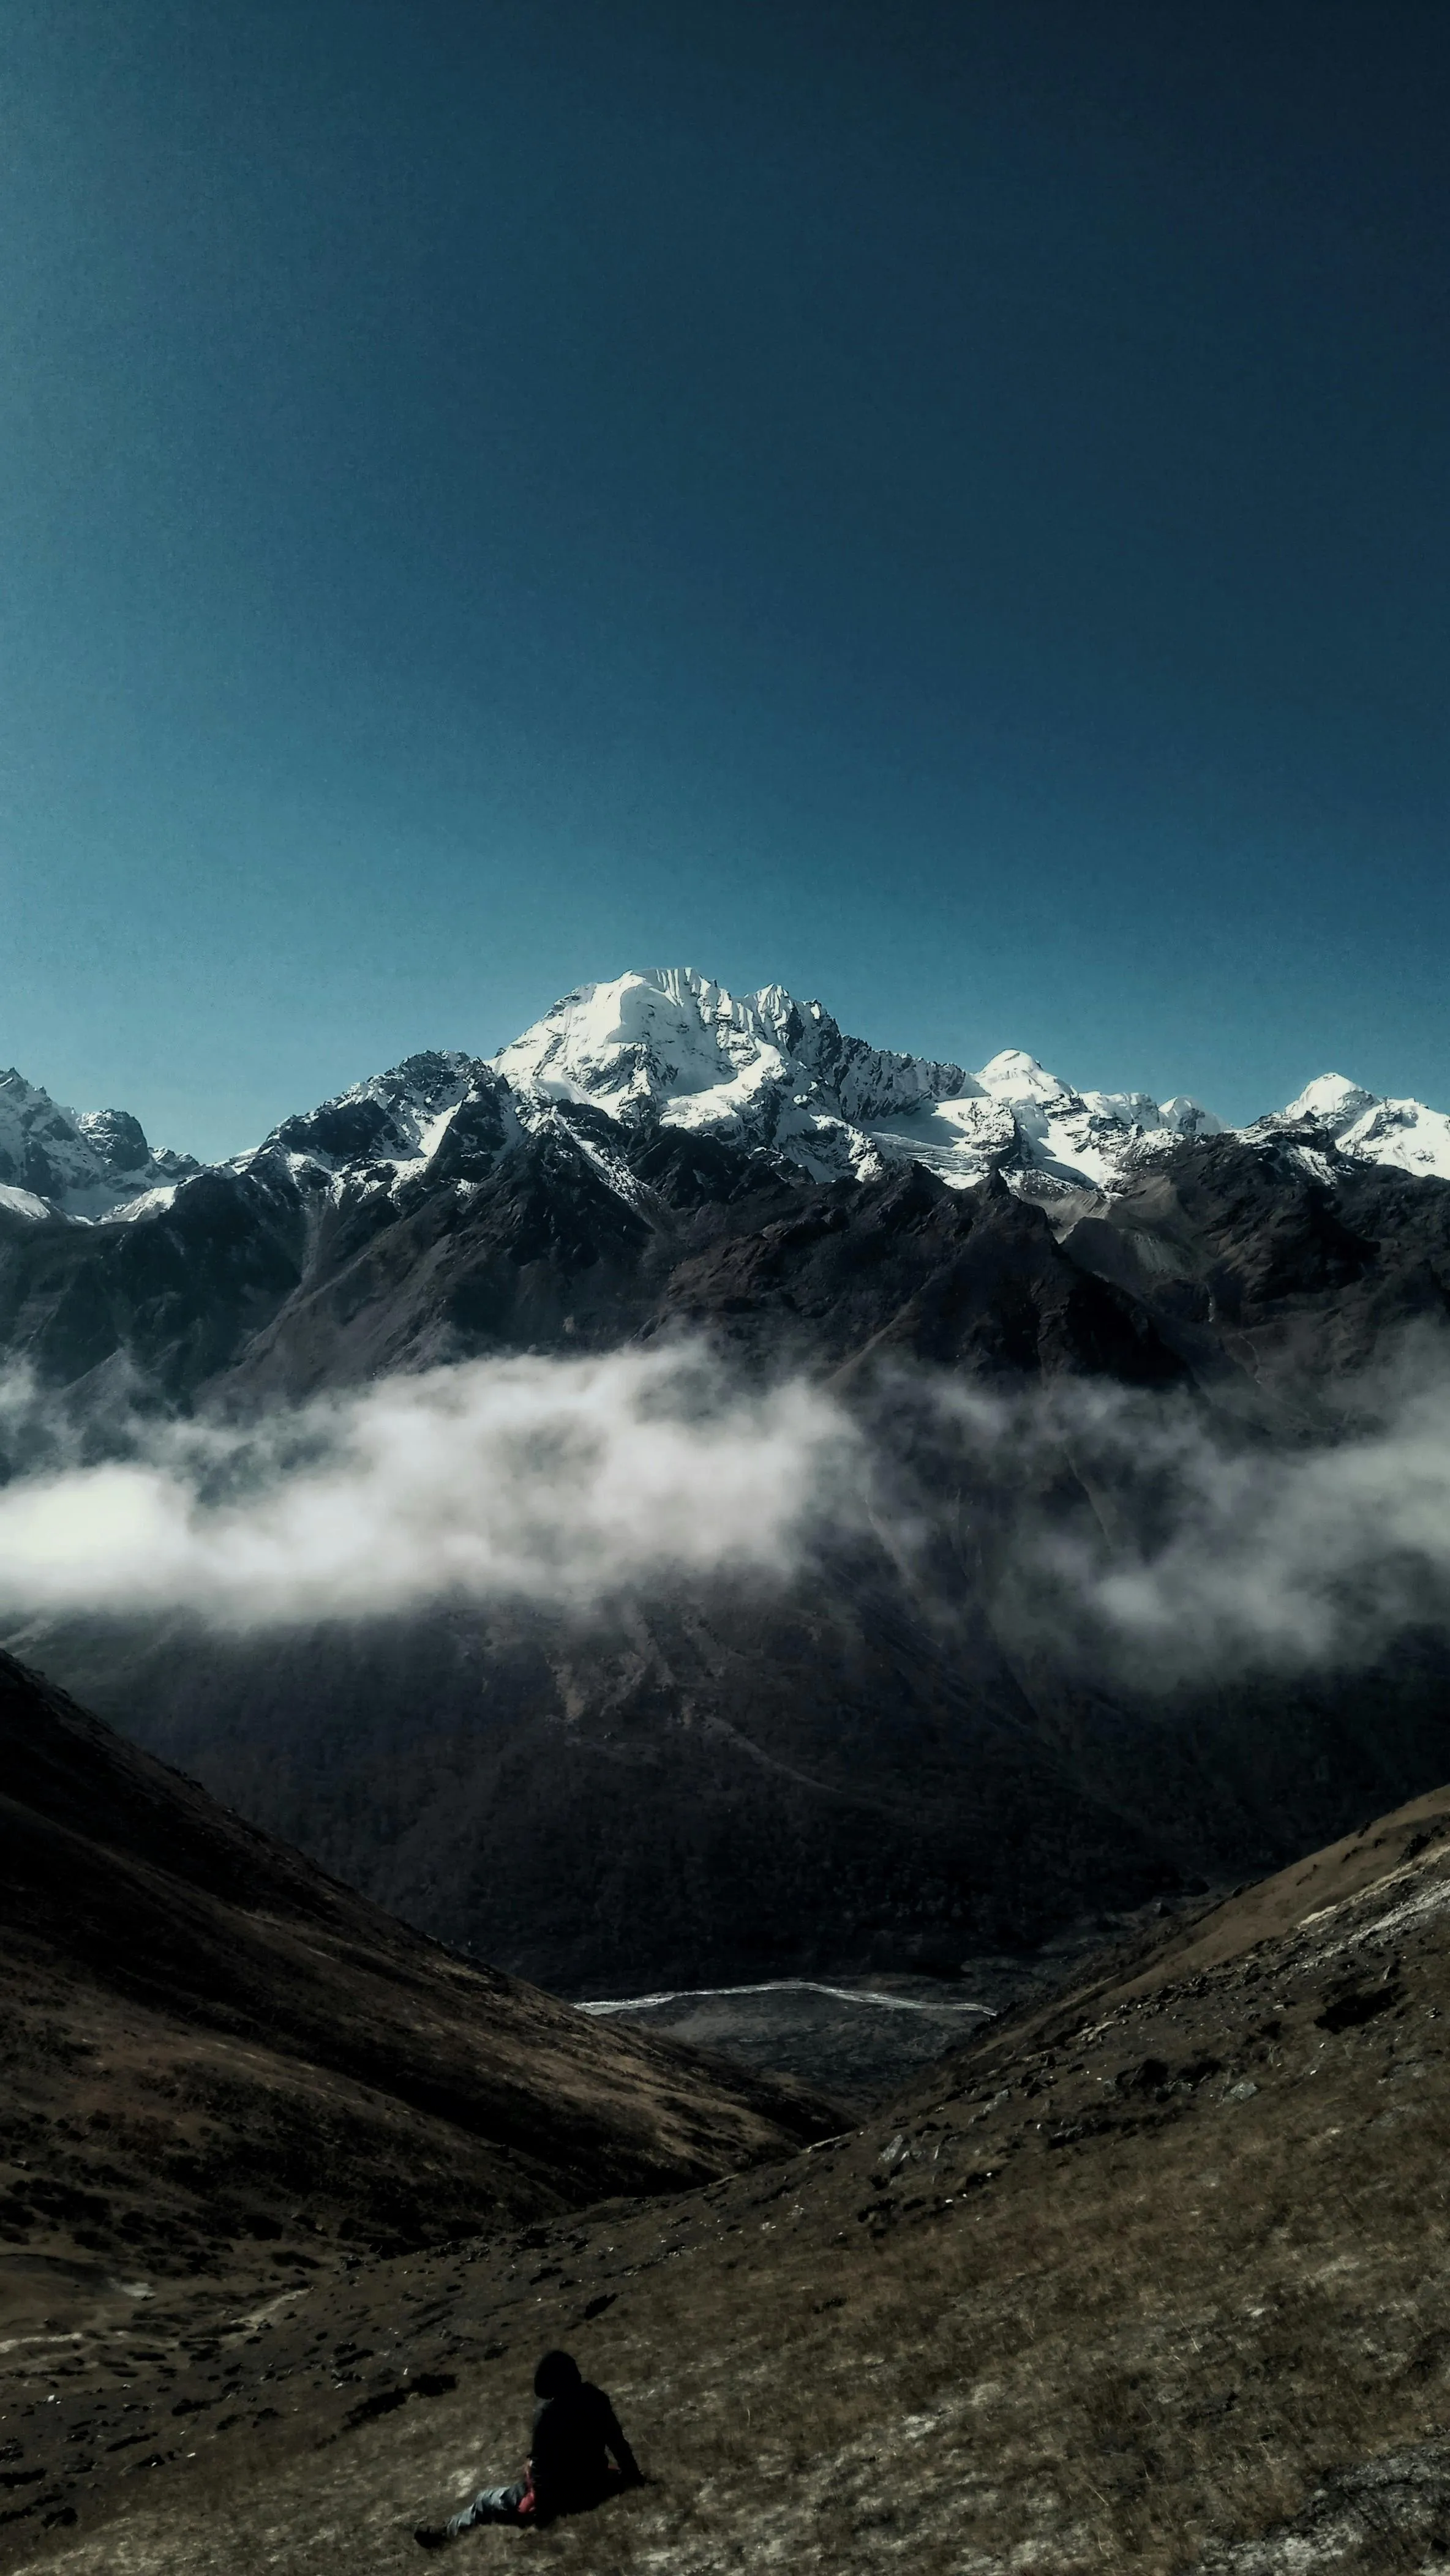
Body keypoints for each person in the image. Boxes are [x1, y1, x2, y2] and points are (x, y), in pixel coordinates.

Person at [415, 2349, 642, 2547]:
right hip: (594, 2482)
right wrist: (634, 2476)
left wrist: (542, 2512)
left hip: (562, 2496)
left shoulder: (548, 2415)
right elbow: (618, 2443)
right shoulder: (596, 2399)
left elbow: (542, 2472)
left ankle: (445, 2533)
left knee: (485, 2500)